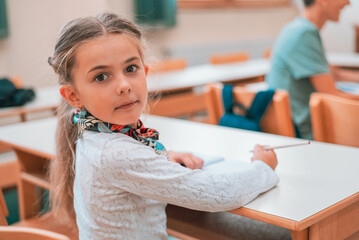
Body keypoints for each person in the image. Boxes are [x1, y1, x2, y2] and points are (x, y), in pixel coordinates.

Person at [48, 12, 279, 240]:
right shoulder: (117, 154)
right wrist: (262, 167)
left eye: (130, 69)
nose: (124, 85)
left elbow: (128, 162)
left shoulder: (90, 132)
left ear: (145, 72)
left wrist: (162, 158)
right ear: (73, 96)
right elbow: (217, 194)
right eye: (101, 77)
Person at [266, 0, 359, 140]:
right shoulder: (304, 33)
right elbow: (331, 95)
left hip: (294, 126)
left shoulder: (297, 27)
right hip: (305, 133)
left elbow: (334, 73)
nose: (348, 3)